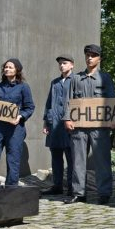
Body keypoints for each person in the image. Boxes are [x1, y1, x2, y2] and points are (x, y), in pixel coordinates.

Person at [64, 44, 115, 204]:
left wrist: (114, 119)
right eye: (87, 55)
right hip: (79, 127)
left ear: (99, 58)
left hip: (99, 127)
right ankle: (79, 193)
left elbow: (111, 98)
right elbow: (69, 100)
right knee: (78, 161)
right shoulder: (76, 78)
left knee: (102, 160)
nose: (90, 58)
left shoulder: (105, 78)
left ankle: (104, 193)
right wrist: (67, 118)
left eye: (93, 55)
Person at [0, 58, 35, 186]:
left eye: (10, 67)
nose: (7, 69)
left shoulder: (23, 87)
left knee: (13, 161)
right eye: (5, 67)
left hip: (16, 128)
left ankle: (10, 191)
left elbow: (30, 107)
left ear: (17, 70)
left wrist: (20, 116)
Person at [42, 56, 75, 196]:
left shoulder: (76, 80)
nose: (62, 66)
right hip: (54, 124)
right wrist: (46, 122)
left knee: (71, 156)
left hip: (69, 124)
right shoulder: (54, 82)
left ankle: (73, 186)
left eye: (64, 63)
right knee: (55, 157)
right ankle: (57, 185)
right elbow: (49, 102)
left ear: (72, 65)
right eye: (60, 64)